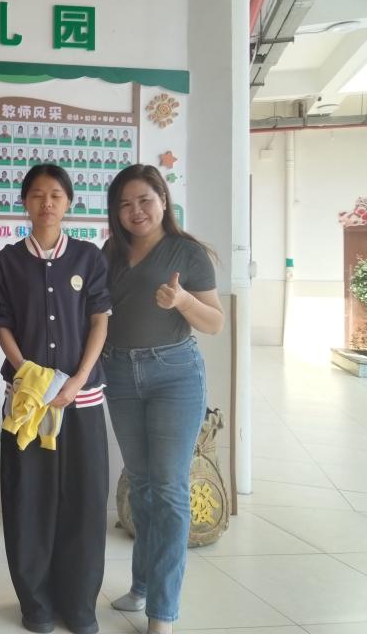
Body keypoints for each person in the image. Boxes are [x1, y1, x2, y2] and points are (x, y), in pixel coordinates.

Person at [101, 165, 223, 634]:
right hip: (120, 373)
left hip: (175, 374)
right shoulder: (111, 252)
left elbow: (214, 323)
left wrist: (183, 302)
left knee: (169, 489)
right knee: (142, 485)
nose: (136, 211)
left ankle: (163, 611)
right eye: (125, 204)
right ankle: (142, 585)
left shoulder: (186, 252)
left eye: (144, 200)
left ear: (163, 201)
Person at [0, 165, 110, 634]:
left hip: (81, 401)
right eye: (38, 194)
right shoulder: (6, 261)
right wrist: (28, 375)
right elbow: (1, 323)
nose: (47, 203)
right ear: (24, 201)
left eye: (56, 195)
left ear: (69, 203)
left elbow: (100, 319)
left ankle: (80, 604)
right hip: (28, 403)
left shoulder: (88, 257)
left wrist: (78, 379)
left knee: (84, 500)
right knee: (29, 500)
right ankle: (35, 603)